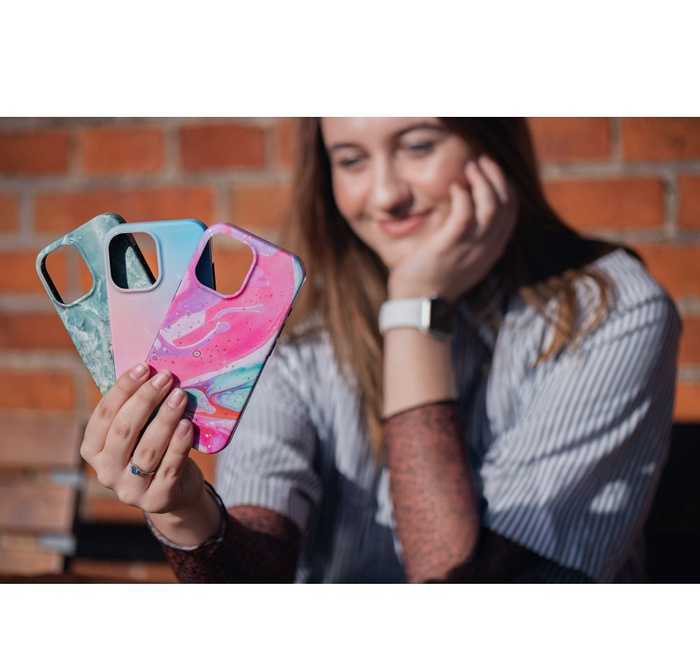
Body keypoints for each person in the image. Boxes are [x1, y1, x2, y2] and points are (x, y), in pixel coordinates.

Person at [79, 118, 681, 583]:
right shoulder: (302, 328)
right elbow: (260, 572)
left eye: (418, 146)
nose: (387, 193)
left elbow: (460, 593)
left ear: (492, 141)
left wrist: (415, 309)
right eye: (351, 159)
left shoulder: (614, 313)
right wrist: (184, 510)